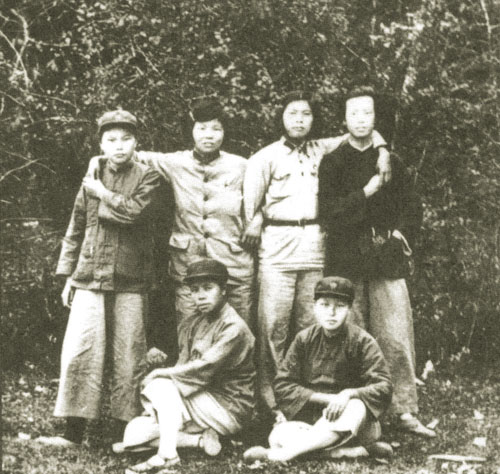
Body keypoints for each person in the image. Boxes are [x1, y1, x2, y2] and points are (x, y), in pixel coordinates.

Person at [243, 90, 392, 414]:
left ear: (314, 119)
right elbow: (251, 207)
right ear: (281, 118)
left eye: (306, 114)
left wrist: (382, 151)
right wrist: (257, 218)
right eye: (292, 113)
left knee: (312, 326)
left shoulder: (324, 148)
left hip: (314, 247)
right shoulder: (264, 157)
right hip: (278, 249)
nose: (299, 120)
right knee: (272, 327)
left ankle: (308, 399)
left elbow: (364, 131)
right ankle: (272, 402)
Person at [36, 110, 161, 447]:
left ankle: (124, 432)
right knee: (81, 349)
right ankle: (73, 432)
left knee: (129, 354)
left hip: (132, 278)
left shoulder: (148, 176)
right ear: (101, 144)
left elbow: (134, 213)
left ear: (136, 142)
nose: (119, 146)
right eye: (111, 140)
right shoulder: (92, 173)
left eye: (126, 139)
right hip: (89, 275)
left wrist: (102, 193)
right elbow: (77, 224)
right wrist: (69, 276)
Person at [318, 86, 435, 437]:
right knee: (350, 337)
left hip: (385, 260)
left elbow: (412, 205)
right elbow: (328, 212)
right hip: (347, 260)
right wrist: (364, 193)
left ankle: (403, 409)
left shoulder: (391, 161)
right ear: (344, 118)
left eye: (367, 113)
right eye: (353, 113)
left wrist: (398, 237)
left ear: (375, 117)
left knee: (395, 337)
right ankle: (356, 413)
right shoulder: (333, 161)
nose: (360, 119)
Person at [87, 99, 255, 328]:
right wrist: (97, 159)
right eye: (202, 128)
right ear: (191, 131)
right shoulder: (175, 162)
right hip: (189, 262)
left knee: (238, 331)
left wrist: (257, 220)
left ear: (225, 132)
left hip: (232, 263)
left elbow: (265, 197)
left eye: (216, 129)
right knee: (189, 329)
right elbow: (131, 154)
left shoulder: (243, 166)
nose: (209, 135)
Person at [118, 259, 256, 473]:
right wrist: (160, 409)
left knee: (160, 384)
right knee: (133, 435)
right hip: (198, 400)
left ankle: (167, 456)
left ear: (223, 290)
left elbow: (204, 368)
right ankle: (200, 441)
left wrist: (161, 373)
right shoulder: (195, 321)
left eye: (208, 288)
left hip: (228, 406)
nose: (200, 296)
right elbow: (184, 363)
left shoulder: (234, 327)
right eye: (194, 290)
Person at [243, 276, 393, 463]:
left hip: (353, 423)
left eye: (339, 306)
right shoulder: (304, 339)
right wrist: (326, 399)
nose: (331, 312)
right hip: (313, 420)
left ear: (349, 309)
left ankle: (279, 455)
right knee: (277, 435)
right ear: (314, 307)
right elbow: (282, 384)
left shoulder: (362, 341)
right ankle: (348, 452)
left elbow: (384, 386)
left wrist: (347, 395)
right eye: (324, 305)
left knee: (356, 407)